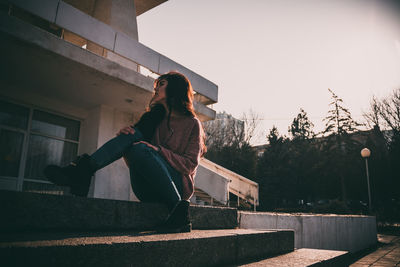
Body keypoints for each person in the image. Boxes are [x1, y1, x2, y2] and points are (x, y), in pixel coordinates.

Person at [43, 71, 206, 233]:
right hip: (147, 189)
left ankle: (179, 213)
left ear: (175, 89)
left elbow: (190, 165)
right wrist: (129, 142)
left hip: (177, 187)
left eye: (161, 84)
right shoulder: (154, 120)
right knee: (133, 138)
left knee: (139, 144)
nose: (155, 89)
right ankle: (83, 170)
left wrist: (158, 150)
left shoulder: (192, 124)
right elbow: (138, 160)